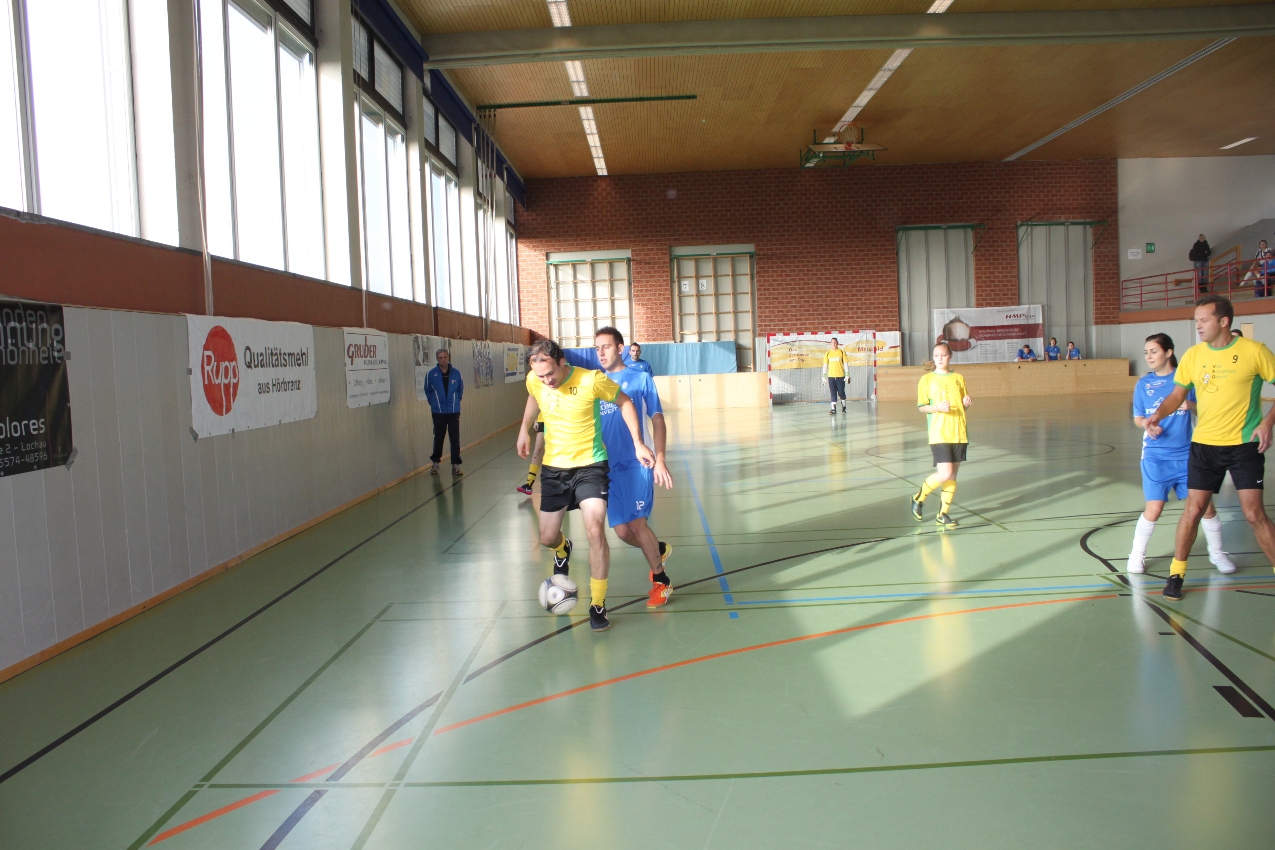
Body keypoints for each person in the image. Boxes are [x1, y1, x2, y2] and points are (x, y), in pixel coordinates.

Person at [517, 339, 655, 632]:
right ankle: (563, 547)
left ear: (562, 362)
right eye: (541, 376)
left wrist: (638, 442)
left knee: (595, 530)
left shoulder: (590, 379)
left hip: (590, 465)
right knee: (547, 537)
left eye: (550, 373)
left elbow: (625, 402)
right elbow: (533, 395)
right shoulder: (535, 379)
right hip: (555, 469)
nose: (546, 380)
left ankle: (598, 604)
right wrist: (524, 430)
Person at [1145, 295, 1275, 601]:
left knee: (1254, 513)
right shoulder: (1194, 355)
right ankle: (1176, 574)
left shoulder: (1254, 351)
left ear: (1224, 321)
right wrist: (1158, 414)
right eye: (1197, 321)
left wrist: (1268, 423)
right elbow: (1178, 394)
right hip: (1205, 445)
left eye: (1204, 320)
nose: (1198, 326)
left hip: (1244, 445)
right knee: (1193, 510)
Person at [1127, 333, 1234, 574]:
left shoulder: (1185, 380)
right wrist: (1146, 425)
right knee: (1154, 509)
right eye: (1146, 352)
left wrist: (1191, 405)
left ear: (1168, 352)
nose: (1149, 356)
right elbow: (1138, 417)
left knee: (1206, 507)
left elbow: (1206, 409)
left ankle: (1218, 553)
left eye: (1154, 351)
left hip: (1187, 456)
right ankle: (1136, 555)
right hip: (1155, 457)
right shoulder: (1143, 384)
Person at [595, 327, 675, 607]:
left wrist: (660, 457)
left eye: (606, 346)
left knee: (638, 523)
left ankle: (661, 581)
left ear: (621, 348)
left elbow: (657, 418)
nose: (601, 352)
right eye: (597, 348)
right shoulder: (596, 383)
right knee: (622, 531)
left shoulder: (640, 378)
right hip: (609, 467)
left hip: (637, 463)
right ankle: (658, 548)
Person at [911, 342, 971, 529]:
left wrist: (966, 404)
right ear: (933, 358)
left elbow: (961, 407)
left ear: (950, 356)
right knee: (944, 473)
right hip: (939, 433)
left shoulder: (959, 378)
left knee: (952, 475)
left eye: (943, 355)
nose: (940, 359)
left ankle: (943, 514)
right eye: (936, 355)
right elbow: (922, 407)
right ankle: (918, 498)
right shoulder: (927, 379)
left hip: (959, 432)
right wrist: (937, 407)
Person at [424, 348, 463, 476]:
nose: (443, 360)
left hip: (453, 411)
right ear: (437, 359)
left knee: (454, 438)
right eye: (440, 358)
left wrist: (456, 402)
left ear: (448, 357)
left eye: (445, 357)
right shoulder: (431, 374)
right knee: (439, 437)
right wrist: (434, 403)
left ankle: (456, 465)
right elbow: (428, 390)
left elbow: (460, 389)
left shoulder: (456, 373)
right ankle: (435, 463)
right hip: (438, 412)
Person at [516, 413, 545, 496]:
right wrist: (536, 420)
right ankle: (529, 484)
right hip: (543, 419)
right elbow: (538, 405)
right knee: (537, 451)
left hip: (559, 421)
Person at [822, 337, 850, 414]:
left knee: (841, 392)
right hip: (831, 376)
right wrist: (823, 376)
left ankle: (844, 407)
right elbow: (825, 365)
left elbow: (845, 363)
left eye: (835, 342)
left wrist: (847, 374)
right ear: (831, 344)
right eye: (832, 342)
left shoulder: (841, 352)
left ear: (837, 343)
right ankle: (833, 409)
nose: (833, 344)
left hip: (840, 376)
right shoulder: (827, 353)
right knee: (833, 393)